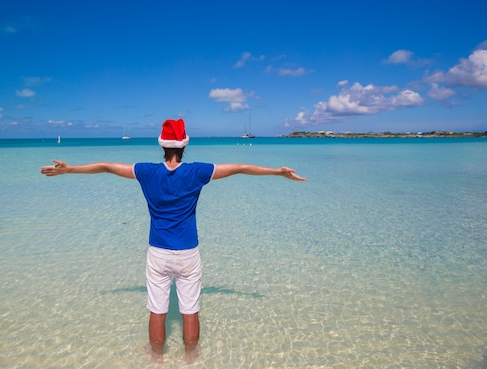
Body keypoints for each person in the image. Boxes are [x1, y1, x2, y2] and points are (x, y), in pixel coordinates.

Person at [40, 119, 306, 363]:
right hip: (188, 252)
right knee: (190, 310)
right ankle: (192, 358)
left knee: (158, 310)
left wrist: (70, 169)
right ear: (185, 144)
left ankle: (156, 358)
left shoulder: (146, 172)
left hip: (158, 252)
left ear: (162, 145)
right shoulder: (197, 172)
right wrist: (277, 172)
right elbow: (240, 168)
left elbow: (107, 167)